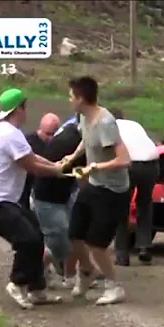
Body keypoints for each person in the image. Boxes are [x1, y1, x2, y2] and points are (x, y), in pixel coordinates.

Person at [0, 88, 65, 309]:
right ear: (19, 109)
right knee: (27, 239)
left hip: (4, 200)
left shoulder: (10, 131)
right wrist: (58, 171)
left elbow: (32, 156)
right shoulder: (9, 134)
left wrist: (57, 165)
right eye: (24, 106)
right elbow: (31, 166)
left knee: (37, 237)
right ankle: (17, 282)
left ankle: (37, 289)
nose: (26, 111)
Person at [61, 76, 131, 305]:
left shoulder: (105, 122)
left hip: (112, 190)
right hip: (94, 185)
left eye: (71, 96)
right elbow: (86, 139)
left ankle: (113, 286)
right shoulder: (83, 117)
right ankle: (87, 274)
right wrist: (72, 158)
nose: (69, 99)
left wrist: (94, 167)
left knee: (97, 243)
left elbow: (124, 159)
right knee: (74, 233)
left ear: (81, 98)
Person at [32, 113, 91, 289]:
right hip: (48, 197)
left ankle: (72, 275)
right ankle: (33, 274)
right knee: (60, 242)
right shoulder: (72, 139)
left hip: (64, 191)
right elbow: (83, 174)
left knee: (73, 235)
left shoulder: (72, 130)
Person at [109, 108, 160, 266]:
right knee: (144, 203)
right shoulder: (134, 124)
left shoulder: (110, 126)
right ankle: (145, 247)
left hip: (131, 166)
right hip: (152, 163)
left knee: (121, 207)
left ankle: (122, 254)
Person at [20, 113, 59, 210]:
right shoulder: (27, 143)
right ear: (40, 129)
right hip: (26, 189)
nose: (50, 138)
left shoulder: (58, 143)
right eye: (47, 134)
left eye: (53, 134)